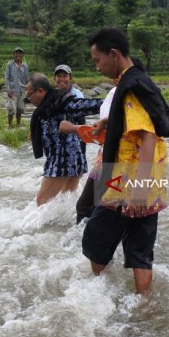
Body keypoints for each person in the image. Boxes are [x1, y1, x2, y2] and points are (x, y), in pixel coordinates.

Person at [82, 27, 169, 295]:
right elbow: (148, 122)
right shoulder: (140, 81)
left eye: (98, 60)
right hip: (149, 181)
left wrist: (138, 193)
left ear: (114, 54)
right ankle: (144, 307)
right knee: (140, 252)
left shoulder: (130, 87)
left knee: (95, 239)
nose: (97, 67)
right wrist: (109, 121)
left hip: (126, 184)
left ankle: (97, 296)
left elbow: (145, 137)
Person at [64, 57, 144, 224]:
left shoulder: (128, 95)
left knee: (87, 207)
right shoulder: (120, 93)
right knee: (109, 207)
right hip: (112, 157)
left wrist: (82, 129)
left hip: (115, 160)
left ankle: (80, 244)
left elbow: (121, 129)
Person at [26, 73, 103, 206]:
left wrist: (111, 103)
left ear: (40, 91)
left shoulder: (59, 102)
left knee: (41, 201)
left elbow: (85, 105)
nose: (28, 98)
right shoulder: (47, 106)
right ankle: (72, 225)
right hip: (74, 158)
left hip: (62, 160)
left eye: (29, 94)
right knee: (67, 200)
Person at [4, 47, 29, 128]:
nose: (18, 55)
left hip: (22, 90)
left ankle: (18, 125)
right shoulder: (10, 64)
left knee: (20, 109)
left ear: (22, 55)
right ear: (14, 55)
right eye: (17, 53)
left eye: (20, 53)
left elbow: (26, 79)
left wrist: (27, 90)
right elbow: (7, 77)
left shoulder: (25, 66)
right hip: (12, 91)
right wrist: (8, 90)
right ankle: (10, 125)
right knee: (11, 109)